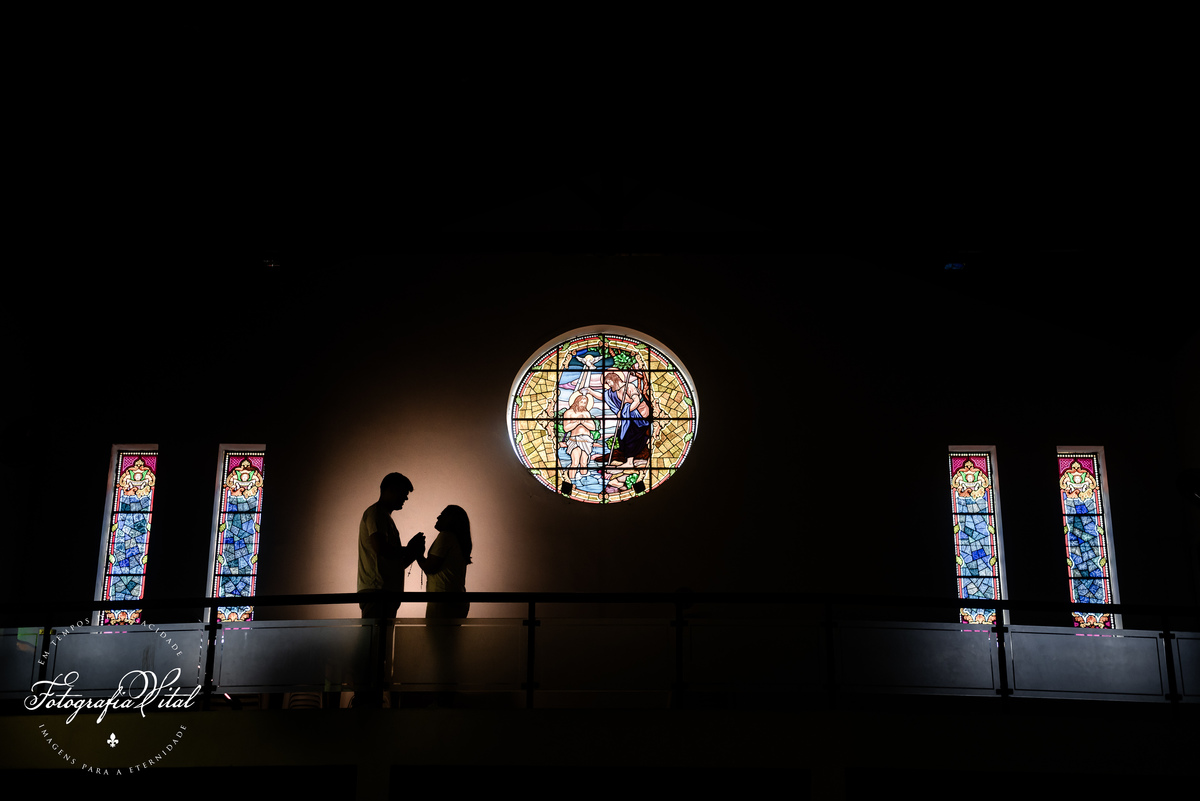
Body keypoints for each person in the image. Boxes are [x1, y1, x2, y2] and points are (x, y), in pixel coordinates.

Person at [354, 472, 425, 708]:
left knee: (377, 652)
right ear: (390, 490)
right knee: (373, 652)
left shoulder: (383, 517)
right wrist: (409, 550)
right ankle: (367, 703)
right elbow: (381, 549)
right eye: (403, 494)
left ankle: (369, 700)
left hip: (384, 592)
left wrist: (411, 553)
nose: (405, 498)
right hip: (378, 592)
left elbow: (391, 561)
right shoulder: (376, 514)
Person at [416, 505, 472, 706]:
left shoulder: (446, 537)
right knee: (449, 650)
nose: (438, 516)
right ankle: (448, 694)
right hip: (456, 600)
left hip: (442, 602)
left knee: (439, 650)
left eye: (443, 514)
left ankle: (442, 696)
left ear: (451, 520)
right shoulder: (457, 540)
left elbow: (430, 567)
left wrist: (417, 553)